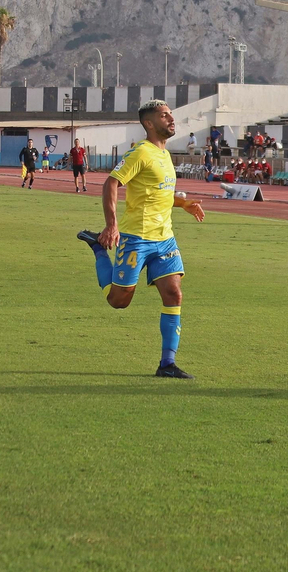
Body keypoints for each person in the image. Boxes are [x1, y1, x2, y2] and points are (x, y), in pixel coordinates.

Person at [75, 99, 204, 379]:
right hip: (136, 239)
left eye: (170, 114)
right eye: (164, 115)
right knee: (118, 301)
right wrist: (112, 226)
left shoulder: (165, 155)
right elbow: (111, 182)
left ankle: (167, 364)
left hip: (165, 239)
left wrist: (183, 204)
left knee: (174, 294)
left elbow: (158, 193)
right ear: (149, 123)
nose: (171, 119)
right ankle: (98, 248)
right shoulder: (140, 153)